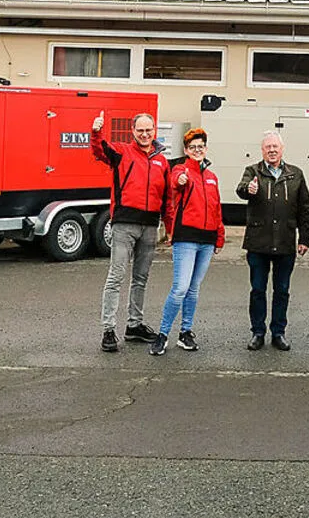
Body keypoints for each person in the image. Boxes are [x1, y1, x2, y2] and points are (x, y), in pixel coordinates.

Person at [90, 110, 171, 353]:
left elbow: (167, 198)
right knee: (116, 276)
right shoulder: (121, 153)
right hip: (124, 224)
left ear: (154, 131)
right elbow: (98, 149)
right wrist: (96, 132)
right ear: (132, 132)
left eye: (149, 130)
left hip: (150, 226)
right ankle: (108, 329)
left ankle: (134, 326)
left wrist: (171, 228)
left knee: (141, 278)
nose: (145, 134)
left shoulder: (161, 161)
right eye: (140, 130)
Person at [235, 131, 309, 351]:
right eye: (267, 147)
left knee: (282, 290)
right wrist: (248, 189)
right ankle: (257, 332)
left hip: (286, 242)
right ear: (262, 150)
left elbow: (305, 209)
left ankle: (278, 332)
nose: (271, 150)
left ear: (282, 149)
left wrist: (305, 237)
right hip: (258, 242)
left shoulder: (296, 174)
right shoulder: (253, 171)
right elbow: (241, 189)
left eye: (275, 147)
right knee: (258, 290)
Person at [150, 128, 225, 356]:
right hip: (186, 239)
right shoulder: (182, 170)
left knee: (193, 289)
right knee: (180, 288)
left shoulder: (212, 177)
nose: (197, 150)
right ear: (186, 150)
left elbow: (217, 209)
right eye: (192, 147)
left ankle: (186, 333)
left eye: (200, 147)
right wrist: (181, 180)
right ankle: (162, 335)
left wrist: (219, 237)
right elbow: (176, 182)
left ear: (206, 148)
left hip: (207, 240)